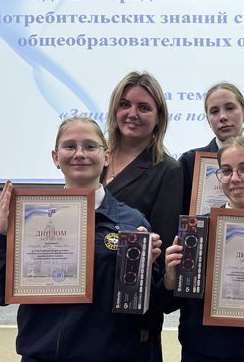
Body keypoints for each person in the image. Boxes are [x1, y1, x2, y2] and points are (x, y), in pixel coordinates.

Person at [0, 117, 163, 362]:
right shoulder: (30, 217)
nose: (80, 154)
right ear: (55, 157)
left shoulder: (133, 222)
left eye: (90, 146)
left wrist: (142, 271)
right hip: (43, 355)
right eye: (70, 146)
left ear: (106, 157)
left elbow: (149, 307)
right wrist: (3, 235)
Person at [156, 136, 244, 361]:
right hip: (200, 356)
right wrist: (170, 279)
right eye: (226, 171)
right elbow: (166, 305)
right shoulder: (196, 232)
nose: (234, 178)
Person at [101, 71, 183, 361]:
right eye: (125, 104)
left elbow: (159, 253)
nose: (132, 113)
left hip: (131, 314)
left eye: (144, 107)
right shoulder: (94, 157)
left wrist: (147, 318)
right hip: (86, 306)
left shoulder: (167, 170)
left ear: (159, 117)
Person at [178, 82, 244, 214]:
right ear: (208, 120)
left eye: (230, 108)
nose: (223, 117)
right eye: (214, 111)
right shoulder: (189, 162)